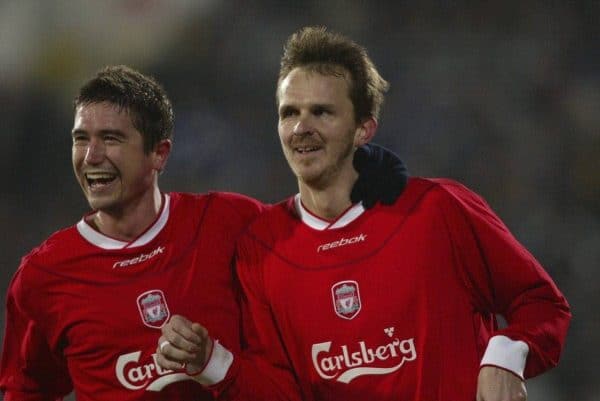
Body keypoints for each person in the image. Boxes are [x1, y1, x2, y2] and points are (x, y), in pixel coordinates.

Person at [156, 26, 572, 401]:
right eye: (289, 113)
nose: (301, 128)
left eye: (321, 112)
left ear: (363, 129)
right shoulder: (261, 248)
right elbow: (282, 391)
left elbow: (541, 303)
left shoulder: (437, 209)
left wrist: (504, 354)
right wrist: (210, 361)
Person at [0, 65, 407, 400]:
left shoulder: (229, 223)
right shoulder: (43, 277)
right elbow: (25, 388)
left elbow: (325, 239)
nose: (91, 157)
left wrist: (380, 180)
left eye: (111, 139)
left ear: (159, 153)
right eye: (81, 139)